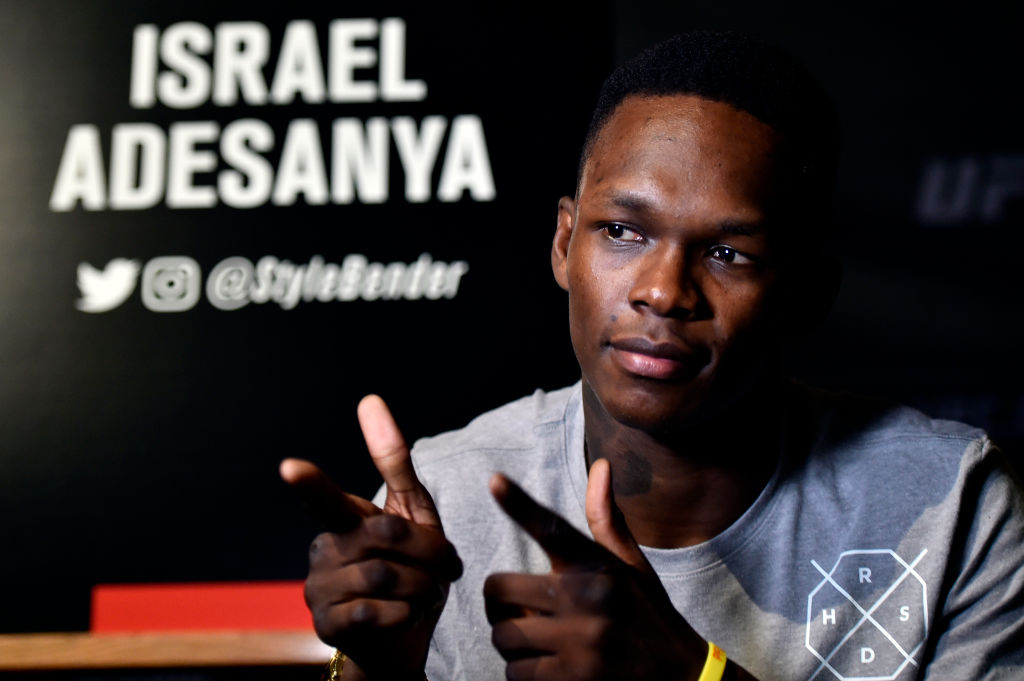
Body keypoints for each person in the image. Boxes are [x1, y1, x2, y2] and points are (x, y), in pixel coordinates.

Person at [280, 31, 1024, 681]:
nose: (665, 292)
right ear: (564, 243)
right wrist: (381, 672)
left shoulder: (954, 504)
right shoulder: (445, 501)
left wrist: (688, 675)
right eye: (623, 233)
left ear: (807, 294)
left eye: (729, 252)